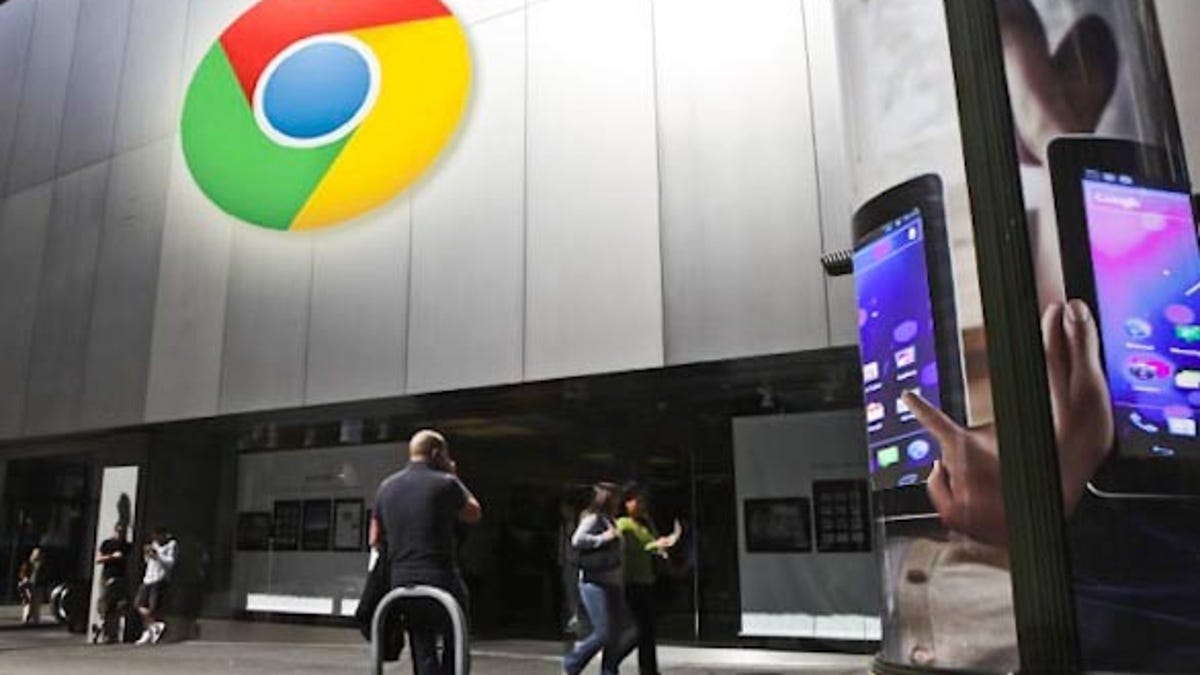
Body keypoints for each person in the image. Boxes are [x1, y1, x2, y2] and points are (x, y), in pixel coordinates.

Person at [371, 429, 482, 675]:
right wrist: (453, 475)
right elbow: (474, 513)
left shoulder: (386, 487)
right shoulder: (447, 483)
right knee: (457, 632)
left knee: (421, 642)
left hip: (401, 580)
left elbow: (374, 538)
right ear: (436, 453)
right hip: (439, 577)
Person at [562, 482, 633, 675]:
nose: (619, 501)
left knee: (618, 634)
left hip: (613, 582)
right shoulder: (594, 518)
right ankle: (572, 663)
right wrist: (604, 538)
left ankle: (610, 671)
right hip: (595, 583)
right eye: (616, 497)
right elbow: (577, 540)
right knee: (604, 632)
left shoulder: (611, 520)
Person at [614, 484, 678, 675]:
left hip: (648, 580)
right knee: (639, 629)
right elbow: (627, 549)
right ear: (627, 502)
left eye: (643, 501)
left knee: (649, 629)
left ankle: (649, 669)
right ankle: (613, 658)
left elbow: (653, 544)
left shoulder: (645, 523)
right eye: (638, 501)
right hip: (632, 581)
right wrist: (653, 545)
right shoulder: (623, 524)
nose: (642, 505)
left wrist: (662, 545)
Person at [134, 527, 177, 645]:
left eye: (158, 536)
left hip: (159, 578)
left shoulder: (171, 545)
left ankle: (148, 631)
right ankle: (154, 626)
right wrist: (147, 554)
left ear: (163, 535)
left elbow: (170, 563)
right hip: (147, 578)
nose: (156, 539)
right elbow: (148, 561)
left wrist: (157, 555)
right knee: (138, 604)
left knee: (153, 608)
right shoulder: (154, 544)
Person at [94, 525, 133, 643]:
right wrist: (112, 556)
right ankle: (101, 630)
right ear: (114, 531)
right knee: (106, 603)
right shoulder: (107, 544)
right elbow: (98, 559)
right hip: (108, 576)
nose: (120, 534)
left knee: (119, 605)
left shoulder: (126, 546)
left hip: (121, 577)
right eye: (118, 532)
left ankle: (113, 634)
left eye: (123, 532)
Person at [17, 548, 44, 625]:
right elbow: (22, 573)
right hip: (29, 585)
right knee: (28, 602)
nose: (38, 555)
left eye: (39, 554)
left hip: (38, 585)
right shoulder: (28, 563)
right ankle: (26, 618)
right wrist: (25, 578)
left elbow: (45, 575)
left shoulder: (42, 564)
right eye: (36, 554)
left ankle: (36, 619)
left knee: (36, 603)